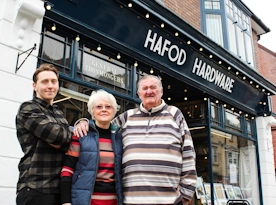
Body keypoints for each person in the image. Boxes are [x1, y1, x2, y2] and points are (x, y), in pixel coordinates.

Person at [75, 75, 197, 205]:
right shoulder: (128, 117)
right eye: (144, 88)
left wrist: (185, 194)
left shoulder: (174, 114)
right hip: (131, 201)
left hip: (169, 200)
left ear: (161, 91)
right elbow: (103, 124)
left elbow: (188, 152)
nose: (149, 91)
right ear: (139, 94)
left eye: (153, 87)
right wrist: (84, 122)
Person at [15, 63, 72, 205]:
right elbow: (59, 137)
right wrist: (62, 139)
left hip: (58, 190)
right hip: (36, 188)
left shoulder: (58, 113)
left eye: (53, 81)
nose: (50, 85)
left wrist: (62, 140)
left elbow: (68, 142)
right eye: (44, 82)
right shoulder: (28, 108)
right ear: (34, 86)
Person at [60, 89, 123, 205]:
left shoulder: (119, 138)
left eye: (108, 107)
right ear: (92, 111)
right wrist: (66, 201)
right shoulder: (81, 134)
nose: (104, 109)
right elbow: (67, 170)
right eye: (99, 107)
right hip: (84, 201)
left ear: (113, 111)